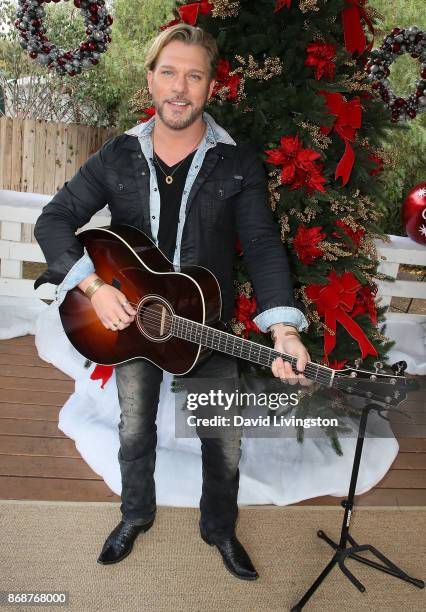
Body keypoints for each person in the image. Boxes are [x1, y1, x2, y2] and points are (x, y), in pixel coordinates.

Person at [34, 24, 310, 581]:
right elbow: (54, 220)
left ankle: (219, 529)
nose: (179, 88)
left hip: (209, 324)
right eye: (169, 72)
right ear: (151, 80)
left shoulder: (236, 163)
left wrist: (283, 330)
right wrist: (94, 286)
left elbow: (259, 244)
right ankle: (135, 515)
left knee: (224, 441)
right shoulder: (117, 156)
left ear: (211, 86)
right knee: (133, 430)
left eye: (194, 75)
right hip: (133, 325)